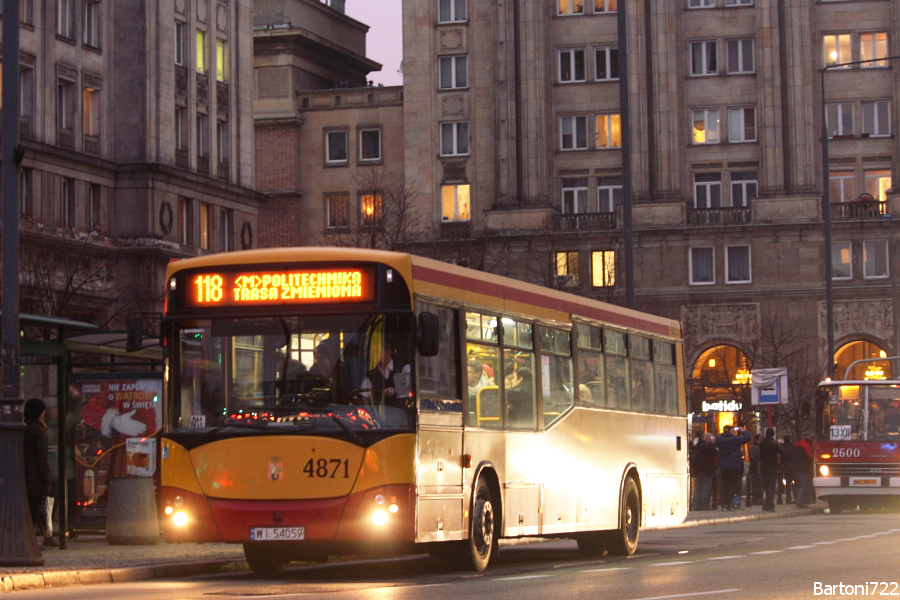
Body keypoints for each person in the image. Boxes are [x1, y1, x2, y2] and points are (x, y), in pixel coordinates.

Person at [23, 398, 56, 548]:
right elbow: (42, 460)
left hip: (23, 479)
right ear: (39, 413)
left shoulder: (22, 429)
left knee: (28, 512)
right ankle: (32, 543)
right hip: (35, 480)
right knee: (34, 512)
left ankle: (29, 541)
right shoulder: (39, 432)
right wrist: (47, 482)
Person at [715, 425, 751, 511]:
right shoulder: (734, 439)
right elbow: (748, 437)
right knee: (735, 485)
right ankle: (733, 503)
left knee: (725, 485)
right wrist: (743, 431)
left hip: (724, 466)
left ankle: (725, 504)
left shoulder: (719, 439)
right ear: (731, 430)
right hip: (734, 465)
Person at [758, 427, 785, 512]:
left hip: (764, 467)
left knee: (766, 486)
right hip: (772, 467)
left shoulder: (762, 443)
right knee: (771, 487)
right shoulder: (774, 444)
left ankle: (768, 503)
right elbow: (783, 451)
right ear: (773, 434)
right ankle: (768, 504)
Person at [690, 433, 719, 510]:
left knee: (698, 488)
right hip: (707, 469)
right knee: (706, 488)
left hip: (698, 469)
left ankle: (696, 505)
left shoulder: (696, 445)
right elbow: (715, 453)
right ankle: (704, 505)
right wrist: (713, 444)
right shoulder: (707, 446)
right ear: (706, 438)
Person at [791, 437, 815, 508]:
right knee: (804, 485)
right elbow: (811, 457)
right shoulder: (806, 446)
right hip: (804, 469)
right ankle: (800, 502)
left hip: (796, 468)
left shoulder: (797, 446)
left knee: (799, 485)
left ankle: (800, 501)